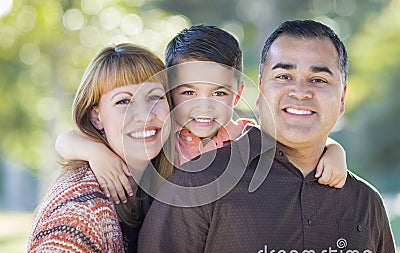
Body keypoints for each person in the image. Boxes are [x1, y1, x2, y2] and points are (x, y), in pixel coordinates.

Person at [136, 20, 397, 253]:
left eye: (318, 80)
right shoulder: (192, 183)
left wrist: (334, 149)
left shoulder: (366, 203)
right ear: (260, 91)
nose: (300, 91)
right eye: (284, 76)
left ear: (341, 98)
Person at [55, 24, 348, 205]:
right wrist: (97, 154)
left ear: (236, 94)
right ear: (169, 93)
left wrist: (335, 151)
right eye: (188, 93)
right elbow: (66, 140)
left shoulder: (244, 136)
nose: (204, 108)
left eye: (219, 94)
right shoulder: (160, 138)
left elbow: (295, 147)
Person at [25, 43, 173, 253]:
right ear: (97, 117)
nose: (145, 115)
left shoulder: (167, 173)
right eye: (123, 101)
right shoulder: (79, 214)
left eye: (154, 97)